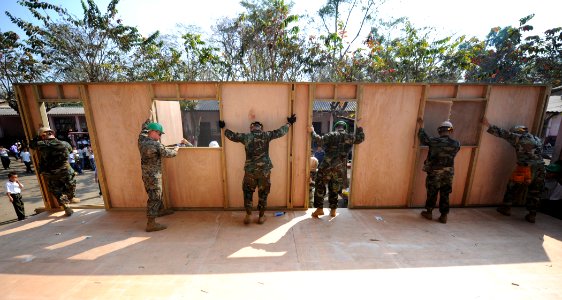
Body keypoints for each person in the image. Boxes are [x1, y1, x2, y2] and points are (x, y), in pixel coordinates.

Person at [219, 114, 296, 224]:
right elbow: (280, 132)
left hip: (250, 171)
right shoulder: (266, 135)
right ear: (261, 128)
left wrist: (223, 127)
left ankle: (248, 215)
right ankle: (261, 216)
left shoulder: (246, 137)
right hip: (264, 171)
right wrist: (289, 123)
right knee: (263, 193)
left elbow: (233, 136)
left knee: (247, 193)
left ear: (251, 128)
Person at [482, 117, 545, 223]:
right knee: (535, 192)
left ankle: (506, 208)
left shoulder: (519, 138)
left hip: (525, 168)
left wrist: (487, 124)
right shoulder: (537, 139)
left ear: (517, 132)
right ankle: (532, 215)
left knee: (512, 187)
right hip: (541, 169)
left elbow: (503, 133)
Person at [310, 120, 365, 218]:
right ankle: (333, 211)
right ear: (345, 128)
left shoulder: (331, 135)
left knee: (320, 185)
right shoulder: (349, 136)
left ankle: (319, 209)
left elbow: (319, 140)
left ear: (335, 127)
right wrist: (359, 127)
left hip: (326, 166)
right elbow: (361, 138)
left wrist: (312, 131)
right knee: (334, 188)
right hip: (339, 169)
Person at [138, 118, 183, 232]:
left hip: (146, 175)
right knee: (155, 197)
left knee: (156, 194)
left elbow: (143, 131)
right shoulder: (156, 145)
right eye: (159, 134)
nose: (160, 136)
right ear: (152, 132)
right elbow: (170, 153)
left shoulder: (142, 140)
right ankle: (151, 223)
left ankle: (160, 210)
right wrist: (177, 147)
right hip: (153, 175)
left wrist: (147, 123)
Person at [418, 120, 460, 224]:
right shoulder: (456, 144)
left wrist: (421, 126)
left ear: (439, 130)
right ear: (450, 131)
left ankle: (429, 212)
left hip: (434, 172)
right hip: (448, 173)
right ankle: (444, 216)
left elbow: (423, 139)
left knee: (432, 192)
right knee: (445, 193)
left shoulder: (434, 141)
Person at [29, 126, 77, 216]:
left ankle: (65, 205)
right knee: (70, 185)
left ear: (43, 136)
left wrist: (38, 137)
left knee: (57, 190)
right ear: (53, 134)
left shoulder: (40, 144)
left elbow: (31, 144)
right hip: (64, 171)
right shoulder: (64, 144)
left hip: (50, 173)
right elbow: (70, 151)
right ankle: (70, 197)